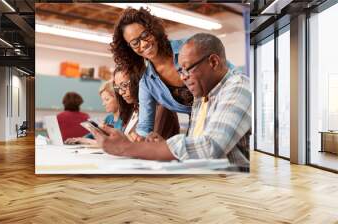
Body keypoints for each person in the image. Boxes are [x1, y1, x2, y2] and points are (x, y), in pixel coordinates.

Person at [92, 33, 251, 167]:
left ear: (213, 62)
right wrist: (162, 145)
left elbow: (209, 148)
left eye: (187, 69)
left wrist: (126, 147)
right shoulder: (200, 98)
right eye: (180, 70)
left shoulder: (238, 86)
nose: (182, 77)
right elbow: (194, 144)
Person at [113, 66, 180, 141]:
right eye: (117, 88)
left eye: (124, 85)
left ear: (137, 81)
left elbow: (150, 144)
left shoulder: (161, 107)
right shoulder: (134, 108)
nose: (121, 92)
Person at [65, 80, 122, 145]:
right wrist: (78, 139)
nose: (103, 104)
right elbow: (92, 135)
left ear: (118, 98)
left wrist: (86, 140)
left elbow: (112, 143)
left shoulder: (125, 120)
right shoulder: (108, 118)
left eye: (107, 99)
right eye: (102, 100)